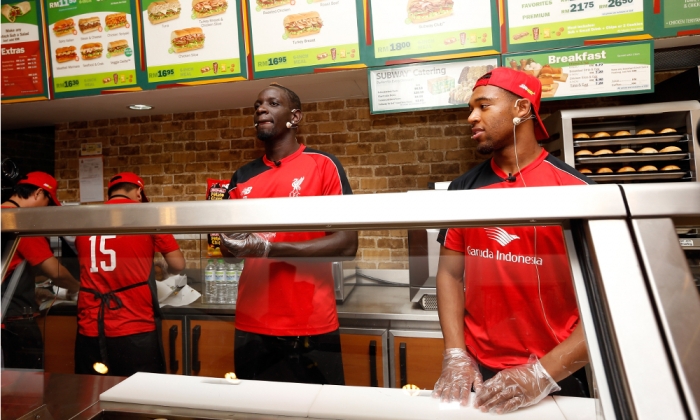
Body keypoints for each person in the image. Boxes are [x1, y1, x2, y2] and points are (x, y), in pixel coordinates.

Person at [431, 67, 594, 414]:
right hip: (477, 370)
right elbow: (449, 275)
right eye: (470, 109)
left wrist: (543, 373)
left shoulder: (575, 189)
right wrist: (456, 354)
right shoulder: (464, 188)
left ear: (522, 109)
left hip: (556, 370)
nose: (471, 118)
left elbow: (607, 301)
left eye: (484, 106)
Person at [220, 84, 358, 385]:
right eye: (257, 105)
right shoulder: (242, 177)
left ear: (294, 118)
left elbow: (347, 245)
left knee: (320, 412)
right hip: (252, 323)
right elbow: (230, 255)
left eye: (272, 103)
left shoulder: (323, 165)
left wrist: (267, 249)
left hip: (310, 323)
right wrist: (226, 239)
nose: (260, 109)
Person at [74, 172, 185, 376]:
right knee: (139, 399)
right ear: (139, 192)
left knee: (91, 395)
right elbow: (178, 264)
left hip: (90, 327)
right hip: (135, 327)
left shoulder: (85, 219)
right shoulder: (148, 216)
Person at [1, 171, 81, 369]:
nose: (47, 209)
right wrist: (77, 286)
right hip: (12, 325)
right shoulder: (20, 222)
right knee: (27, 391)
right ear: (37, 193)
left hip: (6, 319)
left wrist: (33, 290)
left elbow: (9, 267)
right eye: (48, 202)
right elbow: (55, 271)